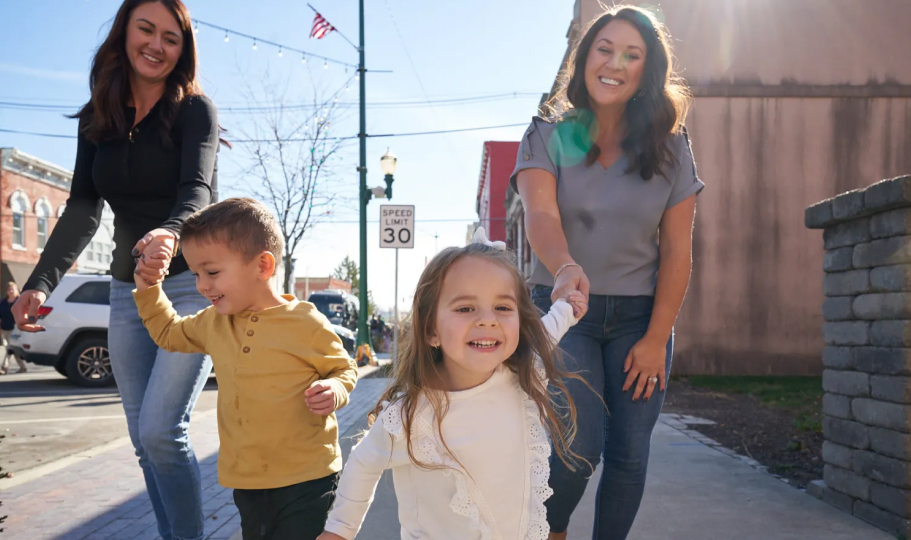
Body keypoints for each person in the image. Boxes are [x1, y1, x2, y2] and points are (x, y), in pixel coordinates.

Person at [11, 1, 222, 538]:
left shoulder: (195, 110)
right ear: (125, 33)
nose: (156, 45)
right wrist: (40, 282)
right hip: (128, 294)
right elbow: (83, 208)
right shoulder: (96, 118)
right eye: (145, 30)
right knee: (140, 437)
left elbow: (195, 191)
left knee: (161, 431)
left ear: (183, 49)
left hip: (191, 287)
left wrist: (169, 232)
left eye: (170, 38)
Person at [511, 6, 703, 540]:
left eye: (632, 54)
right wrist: (567, 267)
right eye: (604, 48)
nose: (614, 62)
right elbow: (542, 217)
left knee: (629, 455)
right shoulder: (550, 136)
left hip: (641, 320)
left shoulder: (671, 147)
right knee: (578, 448)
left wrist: (656, 335)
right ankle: (548, 532)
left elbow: (677, 254)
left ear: (647, 69)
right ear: (585, 58)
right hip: (563, 309)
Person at [318, 232, 589, 540]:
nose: (488, 320)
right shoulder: (413, 415)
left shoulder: (523, 374)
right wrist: (339, 530)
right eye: (465, 309)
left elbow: (549, 329)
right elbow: (365, 462)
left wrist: (568, 307)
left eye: (502, 307)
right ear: (431, 331)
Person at [133, 197, 357, 540]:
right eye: (196, 274)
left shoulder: (305, 321)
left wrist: (335, 390)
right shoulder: (213, 322)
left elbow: (344, 370)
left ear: (262, 266)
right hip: (248, 481)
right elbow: (168, 333)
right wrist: (149, 289)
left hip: (308, 477)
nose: (202, 285)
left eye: (212, 272)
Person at [0, 282, 27, 375]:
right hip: (4, 329)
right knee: (12, 349)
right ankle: (22, 367)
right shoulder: (3, 302)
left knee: (10, 347)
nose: (11, 291)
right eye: (9, 289)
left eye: (13, 289)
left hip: (16, 329)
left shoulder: (20, 301)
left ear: (17, 290)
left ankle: (4, 367)